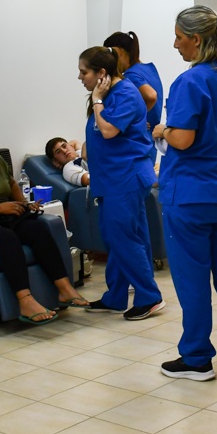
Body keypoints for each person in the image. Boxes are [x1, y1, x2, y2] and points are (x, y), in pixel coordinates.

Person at [151, 5, 217, 381]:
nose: (175, 44)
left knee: (193, 279)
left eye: (179, 37)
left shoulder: (190, 81)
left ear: (195, 39)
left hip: (191, 197)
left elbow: (183, 138)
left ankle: (196, 358)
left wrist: (161, 130)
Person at [0, 115, 88, 324]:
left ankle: (65, 289)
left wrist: (24, 205)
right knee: (7, 238)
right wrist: (1, 207)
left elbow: (11, 184)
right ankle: (25, 300)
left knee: (38, 229)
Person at [78, 46, 166, 320]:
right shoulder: (109, 94)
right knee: (118, 236)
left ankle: (149, 296)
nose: (80, 77)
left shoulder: (124, 93)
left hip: (125, 177)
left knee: (123, 237)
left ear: (101, 73)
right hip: (111, 178)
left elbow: (108, 130)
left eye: (84, 72)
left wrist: (97, 100)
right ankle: (116, 296)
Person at [105, 31, 164, 165]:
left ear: (119, 51)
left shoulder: (131, 74)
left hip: (138, 144)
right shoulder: (148, 69)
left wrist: (136, 117)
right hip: (148, 143)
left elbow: (151, 96)